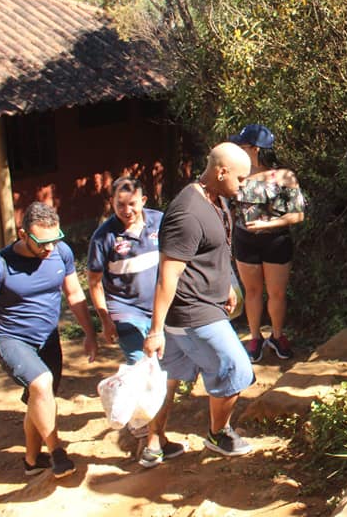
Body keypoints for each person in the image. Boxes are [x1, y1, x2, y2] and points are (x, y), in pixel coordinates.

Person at [141, 142, 256, 468]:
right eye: (241, 178)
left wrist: (228, 284)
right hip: (191, 311)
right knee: (237, 369)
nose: (243, 184)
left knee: (170, 377)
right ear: (221, 172)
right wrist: (155, 330)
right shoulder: (188, 212)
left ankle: (154, 442)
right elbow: (168, 275)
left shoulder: (216, 197)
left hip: (205, 304)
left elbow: (214, 250)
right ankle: (218, 432)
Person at [0, 202, 98, 478]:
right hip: (12, 339)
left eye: (55, 240)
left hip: (48, 339)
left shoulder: (61, 253)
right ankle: (57, 451)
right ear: (22, 235)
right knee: (41, 384)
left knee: (41, 396)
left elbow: (74, 294)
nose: (50, 249)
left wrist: (90, 334)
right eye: (42, 243)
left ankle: (32, 461)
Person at [229, 124, 306, 363]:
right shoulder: (236, 175)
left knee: (277, 293)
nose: (238, 149)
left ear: (254, 148)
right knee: (252, 292)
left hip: (276, 241)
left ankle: (277, 335)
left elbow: (298, 215)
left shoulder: (284, 176)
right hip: (244, 241)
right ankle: (255, 338)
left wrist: (266, 226)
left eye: (242, 145)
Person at [88, 177, 163, 366]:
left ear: (143, 201)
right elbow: (94, 282)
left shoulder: (160, 222)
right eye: (120, 205)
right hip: (124, 308)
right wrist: (105, 319)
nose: (127, 210)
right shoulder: (102, 237)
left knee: (165, 359)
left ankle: (166, 395)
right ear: (111, 202)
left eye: (132, 204)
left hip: (160, 305)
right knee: (140, 362)